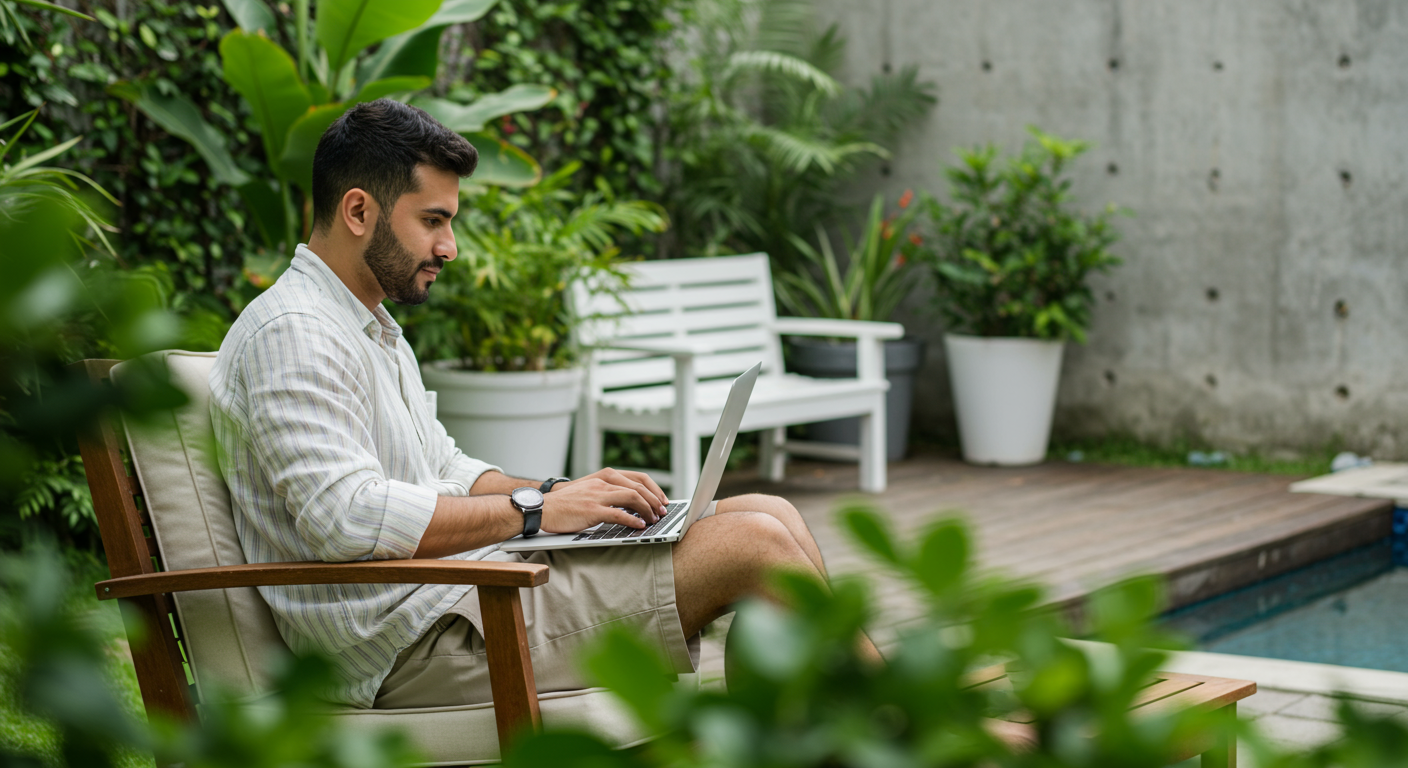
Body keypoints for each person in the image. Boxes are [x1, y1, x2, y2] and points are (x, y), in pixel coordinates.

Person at [209, 98, 855, 710]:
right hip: (408, 642)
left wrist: (565, 494)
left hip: (462, 593)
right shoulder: (293, 334)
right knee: (753, 545)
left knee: (770, 511)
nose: (449, 247)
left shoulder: (367, 327)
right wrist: (535, 512)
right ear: (358, 211)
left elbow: (447, 468)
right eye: (432, 220)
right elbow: (345, 518)